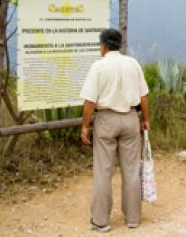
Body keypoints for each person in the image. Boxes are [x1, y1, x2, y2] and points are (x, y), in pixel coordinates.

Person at [80, 29, 150, 232]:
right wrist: (145, 119)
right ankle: (133, 218)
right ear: (120, 45)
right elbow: (144, 96)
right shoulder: (133, 64)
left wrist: (85, 126)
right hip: (130, 119)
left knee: (103, 171)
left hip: (106, 120)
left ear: (103, 46)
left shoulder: (98, 66)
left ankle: (101, 221)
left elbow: (90, 101)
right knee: (131, 170)